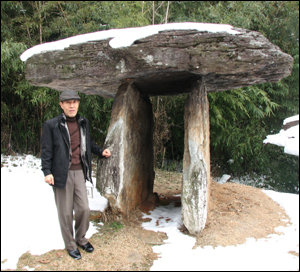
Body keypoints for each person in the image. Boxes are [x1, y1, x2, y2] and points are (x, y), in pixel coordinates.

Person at [41, 90, 111, 260]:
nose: (72, 105)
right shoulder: (52, 125)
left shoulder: (83, 122)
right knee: (65, 213)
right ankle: (70, 244)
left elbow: (88, 143)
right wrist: (47, 171)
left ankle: (80, 238)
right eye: (68, 102)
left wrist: (101, 151)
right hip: (60, 174)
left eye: (75, 102)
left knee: (83, 209)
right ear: (61, 105)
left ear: (78, 104)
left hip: (80, 171)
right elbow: (46, 150)